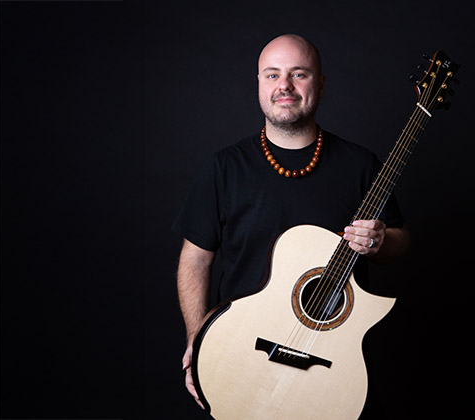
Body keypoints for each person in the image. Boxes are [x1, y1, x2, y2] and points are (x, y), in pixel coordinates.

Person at [173, 34, 410, 416]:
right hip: (241, 353)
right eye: (272, 75)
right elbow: (195, 260)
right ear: (260, 84)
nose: (284, 85)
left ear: (320, 82)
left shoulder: (361, 164)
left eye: (298, 74)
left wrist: (382, 240)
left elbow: (400, 242)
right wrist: (197, 339)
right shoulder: (224, 167)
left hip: (329, 361)